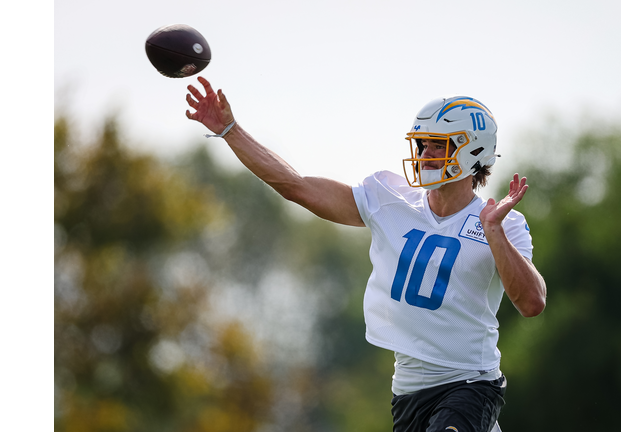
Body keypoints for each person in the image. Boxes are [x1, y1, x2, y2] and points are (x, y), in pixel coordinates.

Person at [185, 76, 547, 432]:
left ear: (472, 151)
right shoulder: (391, 198)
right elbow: (296, 187)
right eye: (422, 145)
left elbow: (532, 303)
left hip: (469, 383)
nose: (424, 155)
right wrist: (230, 129)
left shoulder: (501, 222)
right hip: (407, 391)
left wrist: (494, 233)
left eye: (437, 145)